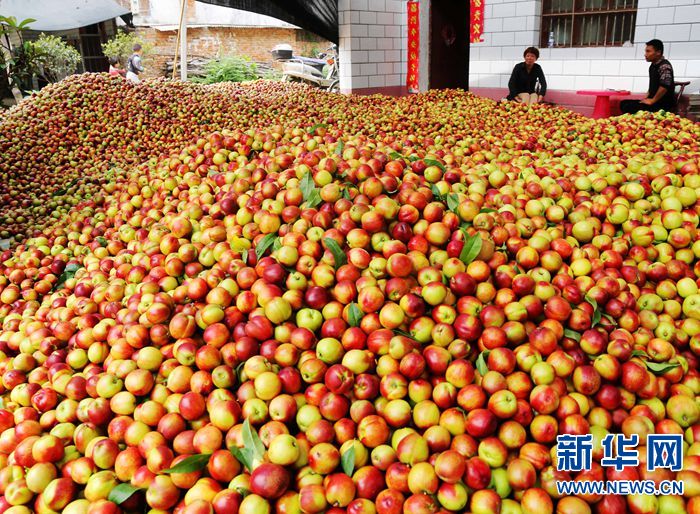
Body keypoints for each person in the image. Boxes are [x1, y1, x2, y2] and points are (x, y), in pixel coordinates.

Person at [620, 39, 675, 114]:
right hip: (652, 101)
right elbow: (652, 86)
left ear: (658, 52)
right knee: (623, 103)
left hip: (662, 104)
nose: (645, 54)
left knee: (629, 107)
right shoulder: (653, 66)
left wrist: (652, 100)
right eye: (646, 51)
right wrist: (645, 99)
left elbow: (664, 86)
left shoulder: (664, 66)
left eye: (648, 51)